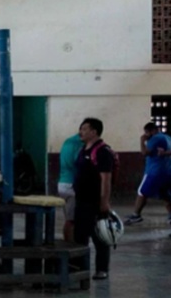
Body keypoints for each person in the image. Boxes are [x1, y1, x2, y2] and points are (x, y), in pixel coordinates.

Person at [72, 117, 114, 281]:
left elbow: (106, 179)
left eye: (84, 128)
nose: (80, 132)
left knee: (99, 236)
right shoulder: (84, 149)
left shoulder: (103, 151)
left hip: (95, 201)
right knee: (80, 236)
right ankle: (79, 269)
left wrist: (104, 202)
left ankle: (102, 269)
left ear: (94, 131)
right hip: (81, 200)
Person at [125, 123, 171, 225]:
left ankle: (136, 215)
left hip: (154, 171)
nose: (146, 134)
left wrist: (142, 141)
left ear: (151, 131)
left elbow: (144, 153)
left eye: (146, 132)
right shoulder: (168, 137)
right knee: (166, 194)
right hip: (169, 171)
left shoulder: (154, 139)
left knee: (141, 192)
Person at [58, 134, 84, 241]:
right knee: (71, 220)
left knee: (70, 218)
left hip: (63, 182)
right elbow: (78, 162)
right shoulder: (79, 144)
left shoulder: (68, 141)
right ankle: (70, 245)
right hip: (72, 184)